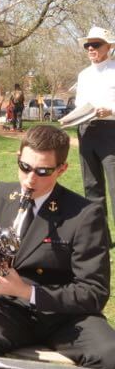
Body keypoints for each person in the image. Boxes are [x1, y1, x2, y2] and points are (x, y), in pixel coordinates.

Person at [0, 125, 115, 369]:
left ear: (62, 169)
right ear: (18, 157)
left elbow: (94, 292)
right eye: (24, 167)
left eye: (43, 171)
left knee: (111, 354)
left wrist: (27, 291)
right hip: (11, 308)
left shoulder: (85, 214)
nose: (30, 179)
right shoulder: (0, 194)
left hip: (66, 316)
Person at [75, 26, 115, 225]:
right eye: (87, 45)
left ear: (109, 47)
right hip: (86, 131)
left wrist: (111, 110)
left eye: (96, 44)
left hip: (111, 132)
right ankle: (99, 236)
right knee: (91, 187)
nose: (91, 48)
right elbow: (79, 104)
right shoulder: (83, 75)